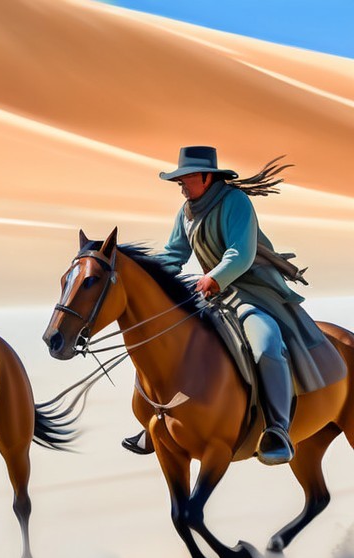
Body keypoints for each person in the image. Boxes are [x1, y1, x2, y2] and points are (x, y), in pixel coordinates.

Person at [121, 146, 345, 464]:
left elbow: (240, 254)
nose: (181, 186)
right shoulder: (186, 211)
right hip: (211, 295)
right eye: (179, 180)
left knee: (266, 346)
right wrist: (148, 278)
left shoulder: (235, 202)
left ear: (206, 176)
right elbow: (174, 254)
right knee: (163, 341)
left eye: (185, 179)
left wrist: (214, 278)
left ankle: (278, 430)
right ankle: (155, 420)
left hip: (251, 292)